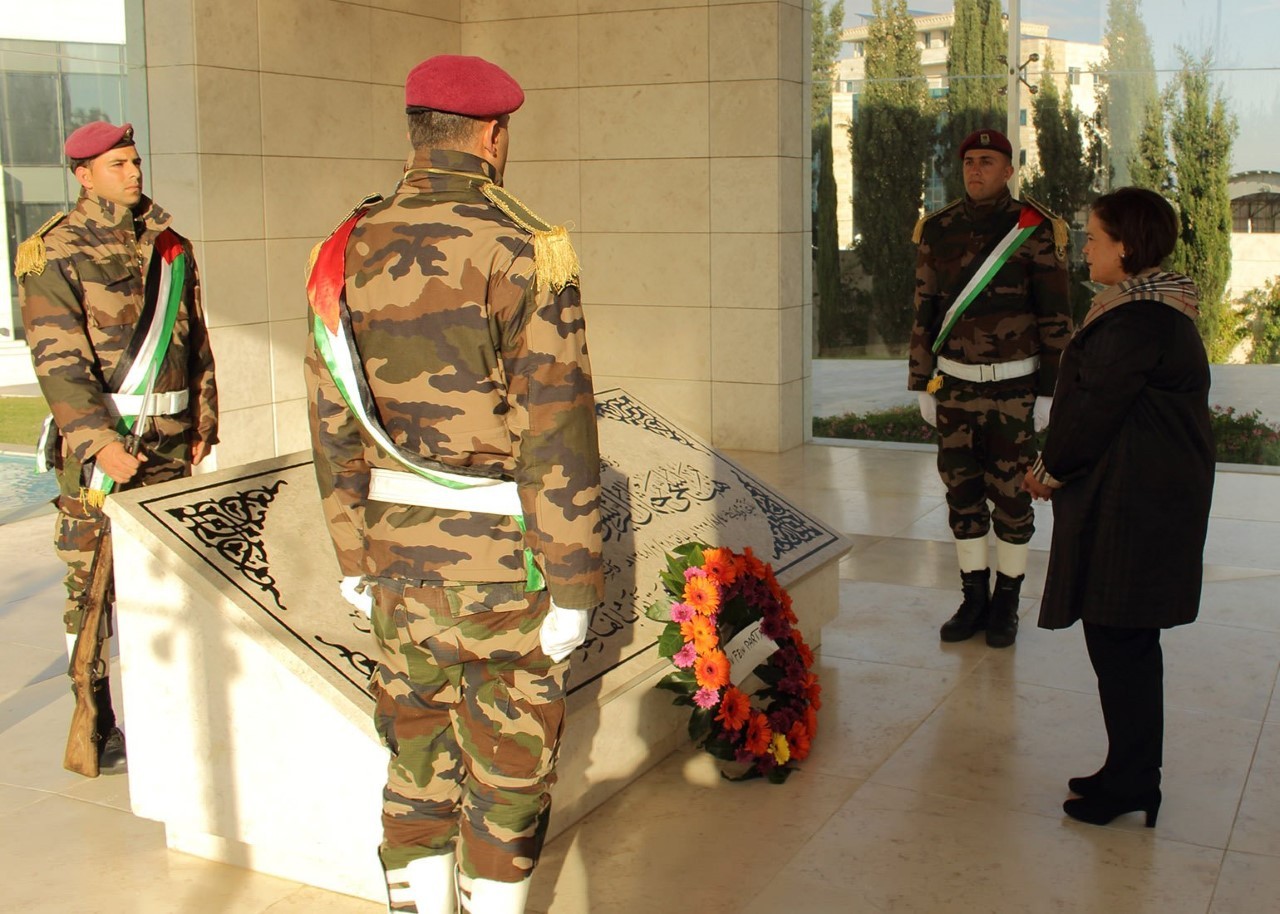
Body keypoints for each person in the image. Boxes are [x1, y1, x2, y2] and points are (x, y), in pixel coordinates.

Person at [304, 55, 603, 914]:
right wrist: (576, 584)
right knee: (508, 775)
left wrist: (352, 553)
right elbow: (558, 427)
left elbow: (332, 416)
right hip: (507, 572)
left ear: (416, 129)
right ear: (493, 134)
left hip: (396, 566)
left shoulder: (346, 245)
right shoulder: (526, 244)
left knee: (416, 761)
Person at [16, 120, 219, 773]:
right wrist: (99, 443)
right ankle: (95, 719)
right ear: (83, 174)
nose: (133, 174)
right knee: (93, 591)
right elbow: (59, 362)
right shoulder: (52, 252)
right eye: (117, 165)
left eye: (134, 161)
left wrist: (203, 426)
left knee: (167, 590)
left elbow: (197, 343)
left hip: (167, 449)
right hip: (104, 457)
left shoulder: (169, 247)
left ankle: (172, 716)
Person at [1024, 187, 1213, 828]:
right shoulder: (1150, 308)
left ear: (1126, 247)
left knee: (1121, 639)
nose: (1087, 247)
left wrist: (1049, 470)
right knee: (1125, 640)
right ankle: (1129, 771)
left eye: (1096, 237)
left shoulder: (1136, 320)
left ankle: (1134, 781)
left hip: (1136, 506)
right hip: (1145, 497)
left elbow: (1093, 409)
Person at [908, 128, 1072, 648]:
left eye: (987, 161)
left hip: (1014, 393)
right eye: (968, 162)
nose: (975, 170)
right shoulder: (938, 228)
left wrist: (1049, 393)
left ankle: (1007, 601)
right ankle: (973, 596)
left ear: (1008, 170)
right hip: (954, 388)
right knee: (962, 495)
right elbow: (924, 309)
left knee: (1013, 499)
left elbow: (1055, 317)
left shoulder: (1035, 228)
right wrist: (921, 383)